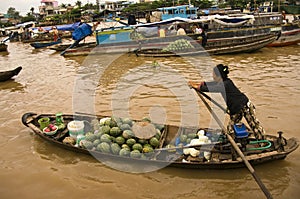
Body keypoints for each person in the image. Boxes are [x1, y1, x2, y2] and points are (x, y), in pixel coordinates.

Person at [188, 64, 265, 140]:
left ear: (219, 76)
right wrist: (196, 84)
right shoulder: (223, 82)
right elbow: (208, 84)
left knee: (254, 125)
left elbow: (210, 88)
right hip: (235, 109)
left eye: (214, 75)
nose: (213, 76)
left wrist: (197, 87)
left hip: (245, 106)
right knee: (230, 128)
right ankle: (234, 143)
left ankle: (263, 142)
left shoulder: (225, 84)